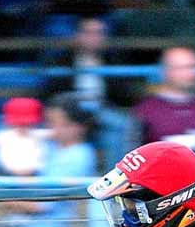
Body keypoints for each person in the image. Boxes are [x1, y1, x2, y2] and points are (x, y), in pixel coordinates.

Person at [0, 94, 97, 227]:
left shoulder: (79, 155)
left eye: (57, 123)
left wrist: (5, 200)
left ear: (77, 127)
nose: (51, 129)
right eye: (49, 122)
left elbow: (42, 204)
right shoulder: (49, 148)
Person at [41, 16, 140, 170]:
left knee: (121, 126)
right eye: (88, 32)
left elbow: (125, 96)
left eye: (98, 33)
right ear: (77, 36)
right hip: (71, 110)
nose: (93, 37)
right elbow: (51, 92)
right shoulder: (62, 61)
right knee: (56, 124)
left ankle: (114, 177)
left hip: (102, 109)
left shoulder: (113, 60)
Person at [132, 47, 195, 147]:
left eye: (193, 67)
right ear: (165, 71)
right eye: (181, 68)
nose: (189, 73)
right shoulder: (146, 109)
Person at [0, 97, 48, 177]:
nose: (23, 126)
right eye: (18, 123)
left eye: (28, 123)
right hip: (9, 178)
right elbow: (6, 163)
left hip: (36, 178)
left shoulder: (39, 135)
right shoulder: (2, 137)